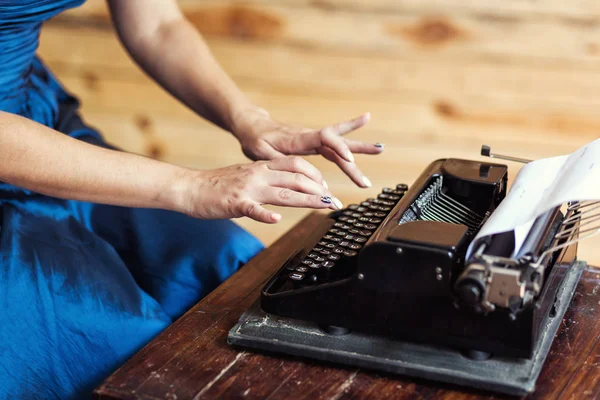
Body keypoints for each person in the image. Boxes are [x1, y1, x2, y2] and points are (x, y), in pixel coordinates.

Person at [0, 0, 383, 398]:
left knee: (237, 275)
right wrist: (188, 187)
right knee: (115, 343)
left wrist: (248, 118)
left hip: (37, 116)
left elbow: (158, 24)